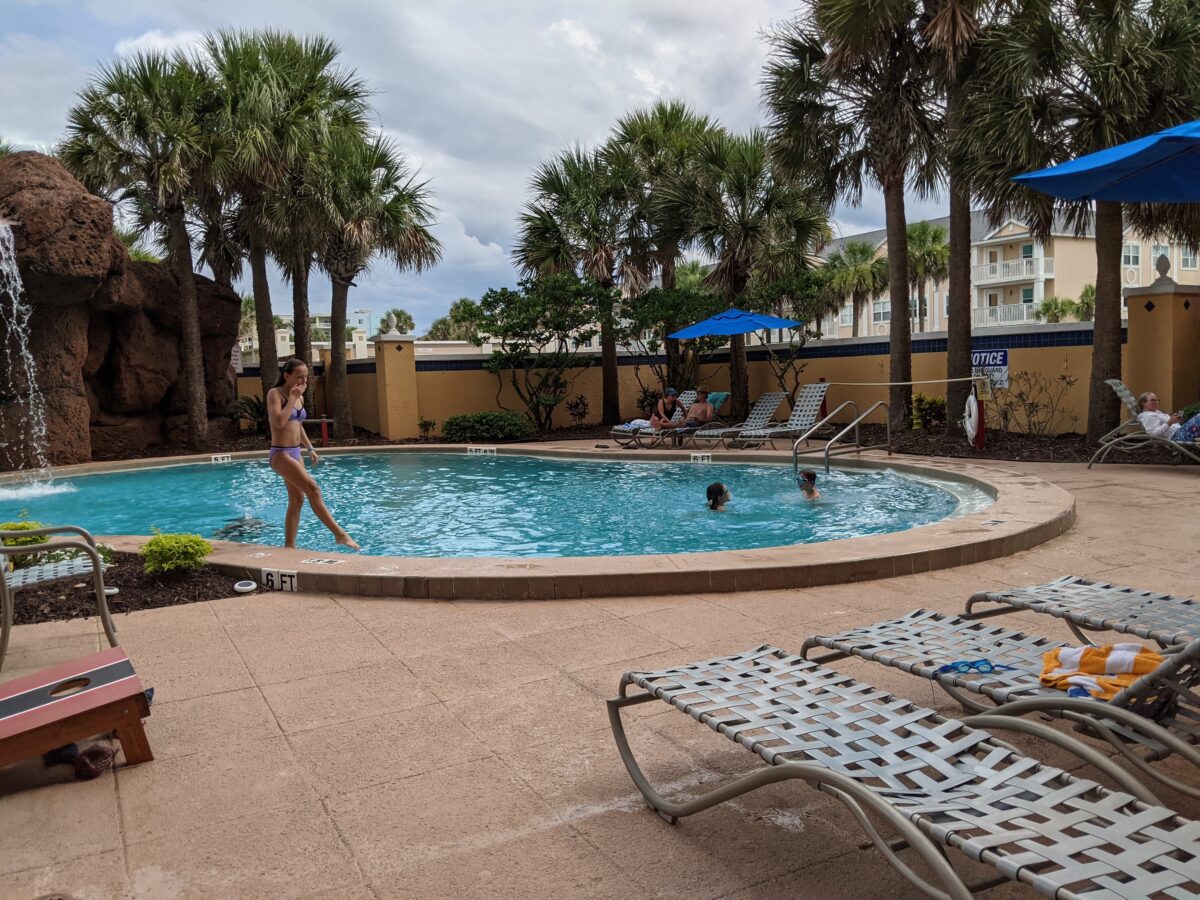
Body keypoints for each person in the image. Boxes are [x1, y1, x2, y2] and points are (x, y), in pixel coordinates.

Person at [266, 358, 360, 550]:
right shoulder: (275, 394)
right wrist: (292, 398)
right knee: (313, 489)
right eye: (299, 377)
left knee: (297, 499)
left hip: (296, 452)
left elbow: (297, 425)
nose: (304, 381)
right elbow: (279, 423)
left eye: (306, 377)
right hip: (280, 454)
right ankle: (339, 534)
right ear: (286, 376)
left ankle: (289, 547)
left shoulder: (299, 396)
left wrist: (309, 448)